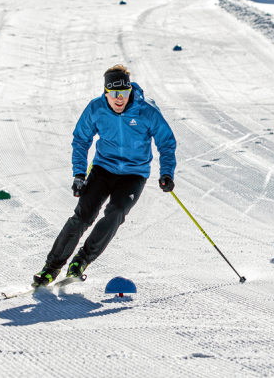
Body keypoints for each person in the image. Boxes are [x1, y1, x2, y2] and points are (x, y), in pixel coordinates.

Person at [33, 64, 177, 286]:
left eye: (125, 93)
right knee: (82, 216)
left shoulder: (145, 111)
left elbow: (166, 143)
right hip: (103, 168)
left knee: (116, 212)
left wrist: (167, 173)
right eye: (114, 94)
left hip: (134, 173)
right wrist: (80, 174)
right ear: (106, 92)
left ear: (130, 91)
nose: (120, 99)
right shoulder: (96, 109)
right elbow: (81, 140)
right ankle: (50, 269)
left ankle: (80, 262)